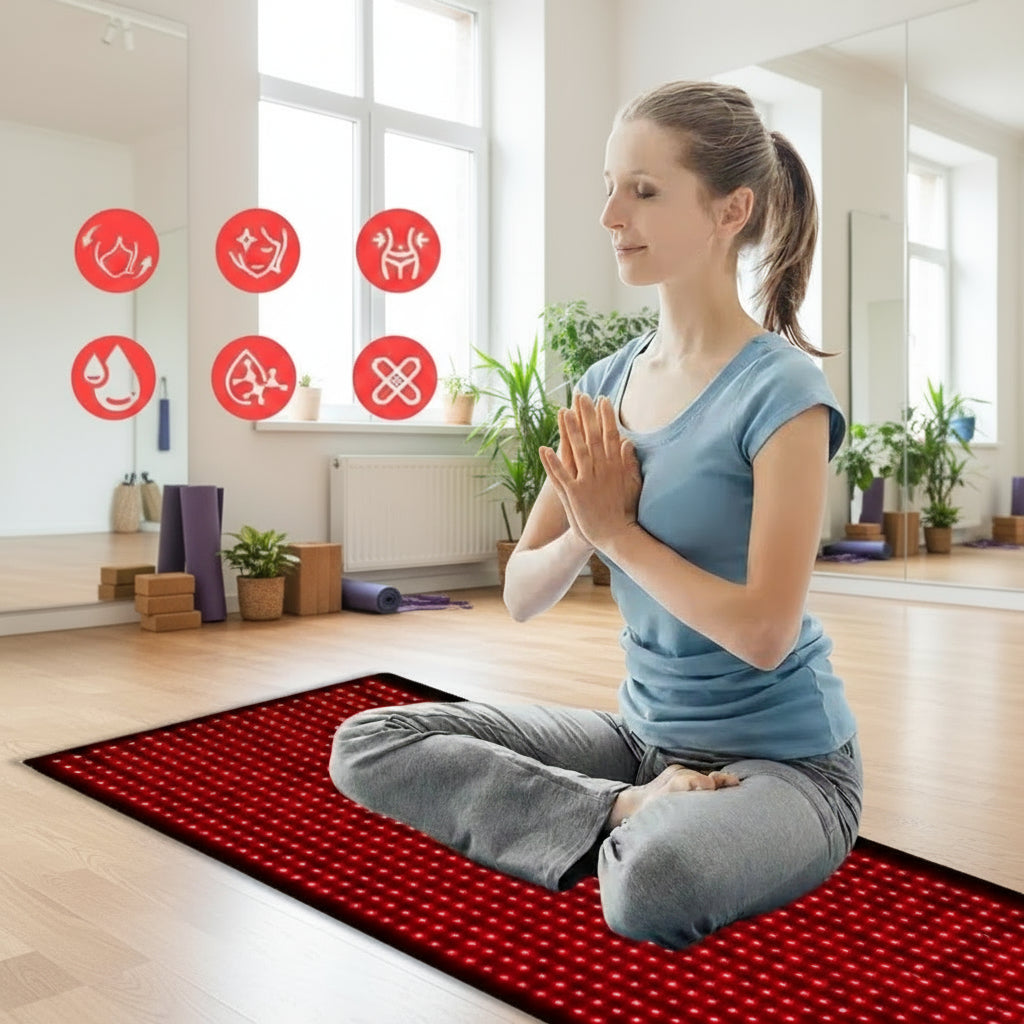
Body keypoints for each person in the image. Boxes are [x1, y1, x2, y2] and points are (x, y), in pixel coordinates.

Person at [329, 79, 862, 950]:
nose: (612, 213)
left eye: (645, 191)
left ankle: (638, 830)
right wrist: (585, 521)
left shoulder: (785, 392)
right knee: (372, 739)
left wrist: (617, 532)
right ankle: (622, 811)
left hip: (786, 766)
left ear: (732, 210)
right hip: (639, 746)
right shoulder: (606, 385)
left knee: (655, 885)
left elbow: (765, 634)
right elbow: (521, 593)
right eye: (609, 185)